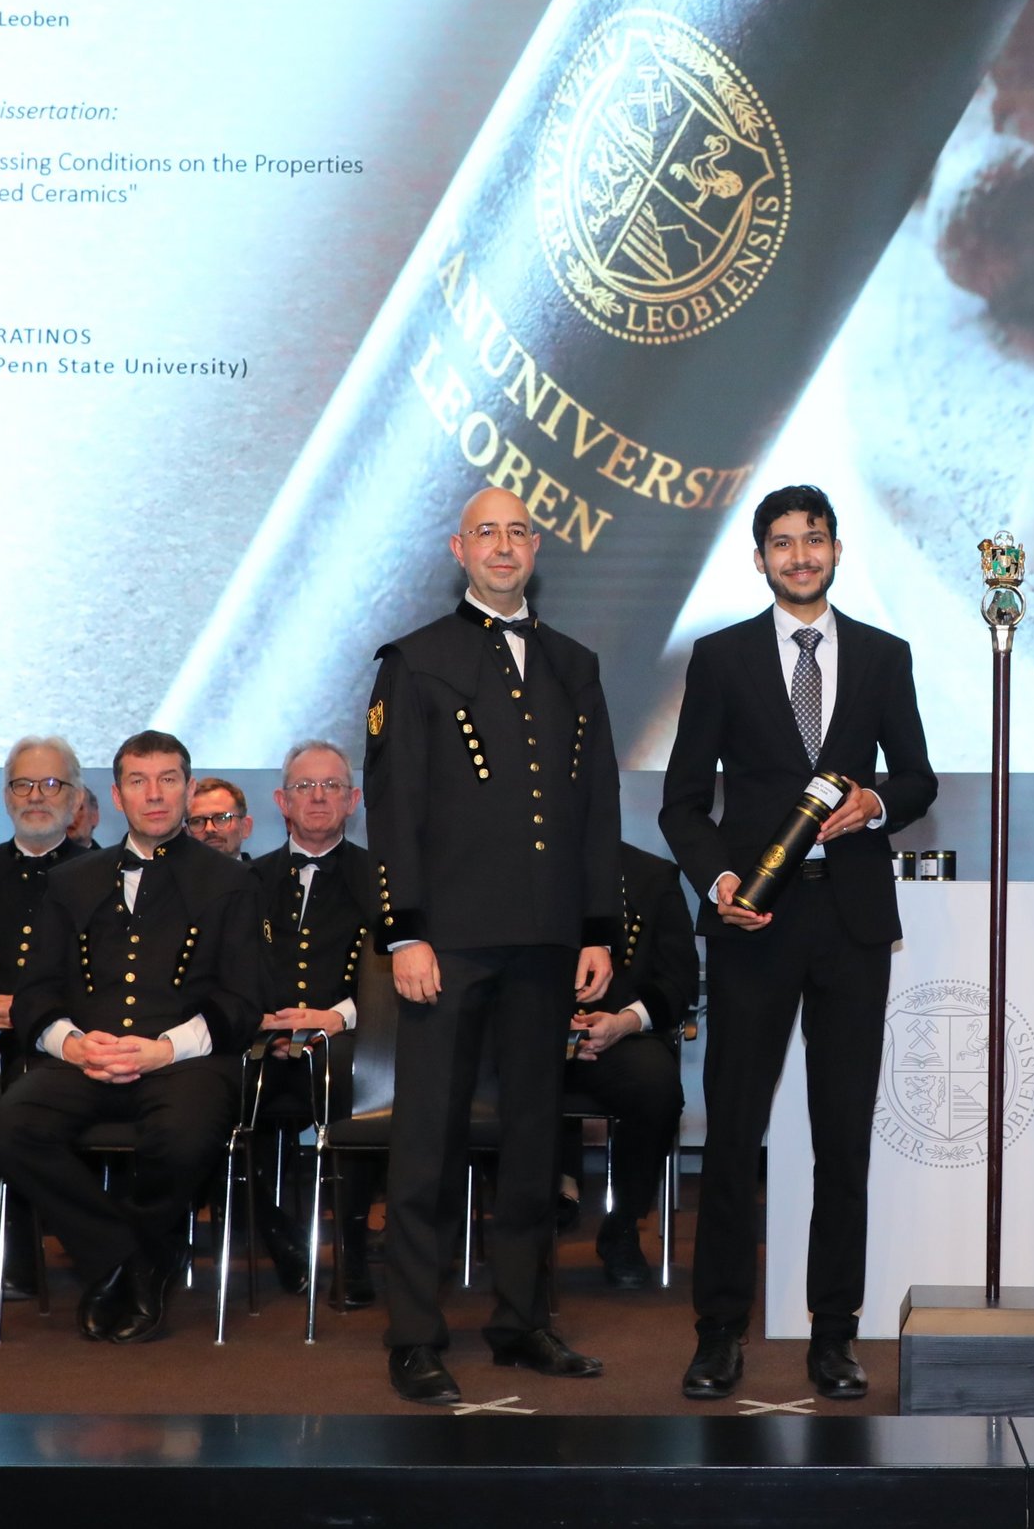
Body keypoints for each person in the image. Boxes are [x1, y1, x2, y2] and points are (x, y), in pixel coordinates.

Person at [661, 483, 937, 1402]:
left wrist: (878, 804)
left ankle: (833, 1335)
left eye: (814, 539)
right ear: (759, 558)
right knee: (733, 1135)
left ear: (837, 548)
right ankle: (717, 1334)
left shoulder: (885, 656)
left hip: (851, 922)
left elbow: (920, 776)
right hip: (755, 922)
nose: (801, 555)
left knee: (841, 1138)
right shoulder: (720, 657)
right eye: (783, 542)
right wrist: (719, 880)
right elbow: (683, 803)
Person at [365, 486, 621, 1406]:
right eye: (487, 533)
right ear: (458, 549)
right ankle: (415, 1334)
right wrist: (403, 931)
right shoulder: (416, 661)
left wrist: (598, 927)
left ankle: (522, 1319)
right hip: (451, 944)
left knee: (531, 1142)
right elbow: (393, 813)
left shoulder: (574, 663)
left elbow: (597, 806)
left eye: (517, 532)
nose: (503, 546)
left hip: (549, 941)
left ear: (536, 545)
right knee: (427, 1139)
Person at [0, 731, 265, 1343]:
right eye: (138, 781)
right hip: (84, 1060)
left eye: (168, 779)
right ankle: (126, 1259)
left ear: (189, 790)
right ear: (115, 795)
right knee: (6, 1130)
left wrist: (165, 1048)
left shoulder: (231, 883)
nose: (154, 794)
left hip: (186, 1061)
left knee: (184, 1137)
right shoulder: (72, 881)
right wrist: (73, 1044)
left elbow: (243, 1003)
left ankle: (133, 1260)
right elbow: (34, 994)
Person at [248, 740, 382, 1306]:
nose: (319, 796)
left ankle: (351, 1249)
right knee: (214, 1095)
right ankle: (280, 1241)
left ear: (352, 801)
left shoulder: (382, 878)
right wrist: (265, 1027)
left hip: (348, 1040)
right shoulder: (245, 881)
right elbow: (229, 968)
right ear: (282, 800)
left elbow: (396, 972)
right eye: (306, 786)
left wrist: (334, 1018)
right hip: (263, 1044)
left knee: (360, 1084)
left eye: (332, 786)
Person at [0, 736, 95, 1295]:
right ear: (5, 796)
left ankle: (25, 1250)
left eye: (51, 784)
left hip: (65, 1047)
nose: (36, 796)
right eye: (23, 784)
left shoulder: (103, 874)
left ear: (76, 798)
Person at [560, 840, 699, 1290]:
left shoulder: (653, 877)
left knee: (656, 1085)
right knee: (485, 1075)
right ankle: (533, 1208)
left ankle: (621, 1225)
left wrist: (624, 1022)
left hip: (621, 1035)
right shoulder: (509, 864)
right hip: (529, 1032)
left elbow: (678, 984)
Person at [186, 777, 255, 859]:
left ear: (245, 827)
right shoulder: (171, 871)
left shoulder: (263, 872)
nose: (209, 828)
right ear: (187, 832)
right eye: (197, 821)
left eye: (221, 818)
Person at [67, 783, 101, 853]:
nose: (69, 817)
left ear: (94, 815)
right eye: (62, 809)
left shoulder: (112, 863)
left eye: (79, 808)